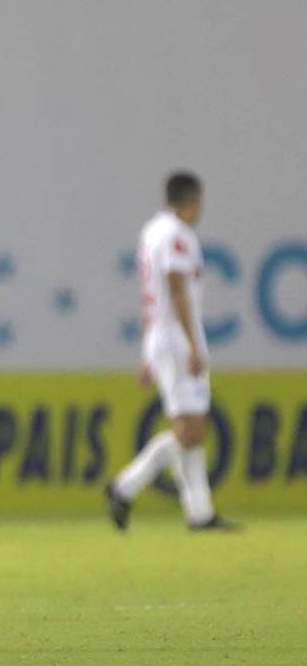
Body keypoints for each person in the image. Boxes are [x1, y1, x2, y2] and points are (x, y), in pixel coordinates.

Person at [105, 172, 237, 531]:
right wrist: (192, 343)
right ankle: (124, 486)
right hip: (177, 338)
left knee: (193, 427)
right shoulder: (178, 235)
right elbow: (176, 289)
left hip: (162, 337)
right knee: (190, 429)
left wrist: (149, 351)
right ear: (192, 199)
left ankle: (200, 512)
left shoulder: (151, 232)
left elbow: (153, 297)